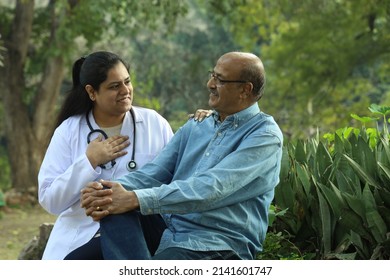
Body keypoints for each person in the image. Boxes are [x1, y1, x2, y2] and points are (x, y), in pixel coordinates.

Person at [81, 51, 283, 260]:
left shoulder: (264, 136)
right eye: (212, 75)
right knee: (83, 247)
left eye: (219, 79)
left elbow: (211, 188)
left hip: (216, 245)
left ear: (245, 89)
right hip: (169, 231)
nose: (210, 84)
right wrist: (103, 190)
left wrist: (135, 199)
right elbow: (152, 173)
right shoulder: (197, 124)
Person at [38, 51, 210, 260]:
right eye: (114, 86)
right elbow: (50, 201)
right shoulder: (70, 130)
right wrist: (89, 162)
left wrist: (207, 124)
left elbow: (181, 178)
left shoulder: (154, 123)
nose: (125, 91)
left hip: (144, 230)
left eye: (127, 82)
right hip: (82, 233)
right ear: (92, 92)